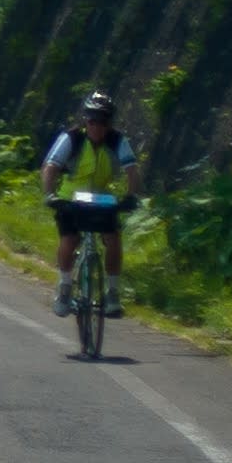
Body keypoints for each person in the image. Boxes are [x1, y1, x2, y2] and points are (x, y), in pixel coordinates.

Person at [39, 94, 136, 314]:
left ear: (109, 123)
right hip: (70, 199)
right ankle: (64, 286)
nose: (97, 126)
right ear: (85, 120)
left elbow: (132, 170)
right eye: (92, 121)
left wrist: (131, 196)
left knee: (113, 240)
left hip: (102, 200)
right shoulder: (72, 138)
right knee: (70, 239)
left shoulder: (117, 141)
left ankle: (112, 292)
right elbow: (51, 167)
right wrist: (50, 195)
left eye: (103, 121)